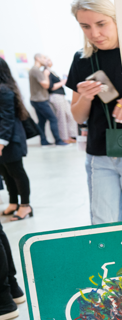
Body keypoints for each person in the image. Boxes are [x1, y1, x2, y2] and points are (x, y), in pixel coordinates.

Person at [66, 0, 122, 225]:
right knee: (103, 223)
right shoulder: (82, 59)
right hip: (99, 153)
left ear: (116, 19)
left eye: (101, 24)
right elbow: (78, 116)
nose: (94, 34)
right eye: (85, 27)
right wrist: (86, 98)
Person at [0, 58, 35, 222]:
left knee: (16, 172)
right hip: (5, 138)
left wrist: (2, 141)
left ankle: (25, 205)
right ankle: (13, 202)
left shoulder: (4, 90)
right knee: (5, 172)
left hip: (9, 139)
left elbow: (7, 119)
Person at [28, 53, 68, 147]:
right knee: (53, 119)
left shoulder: (36, 70)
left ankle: (43, 141)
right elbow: (46, 85)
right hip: (40, 100)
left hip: (37, 99)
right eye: (43, 58)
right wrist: (46, 75)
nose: (45, 60)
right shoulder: (36, 70)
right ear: (37, 59)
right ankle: (58, 141)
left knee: (42, 121)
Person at [45, 57, 78, 143]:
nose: (50, 61)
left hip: (61, 96)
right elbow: (51, 87)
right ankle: (64, 138)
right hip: (55, 96)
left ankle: (71, 135)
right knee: (61, 117)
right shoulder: (46, 72)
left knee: (70, 114)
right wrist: (62, 82)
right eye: (47, 60)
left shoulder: (52, 72)